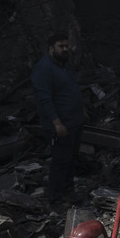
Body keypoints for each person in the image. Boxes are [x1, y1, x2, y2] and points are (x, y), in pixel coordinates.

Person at [31, 32, 86, 209]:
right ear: (51, 48)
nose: (65, 49)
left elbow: (72, 89)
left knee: (71, 158)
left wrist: (82, 110)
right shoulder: (44, 69)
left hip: (74, 122)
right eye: (61, 46)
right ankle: (54, 199)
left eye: (66, 46)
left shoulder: (65, 66)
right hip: (60, 125)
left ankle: (68, 190)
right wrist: (57, 123)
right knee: (60, 161)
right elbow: (44, 99)